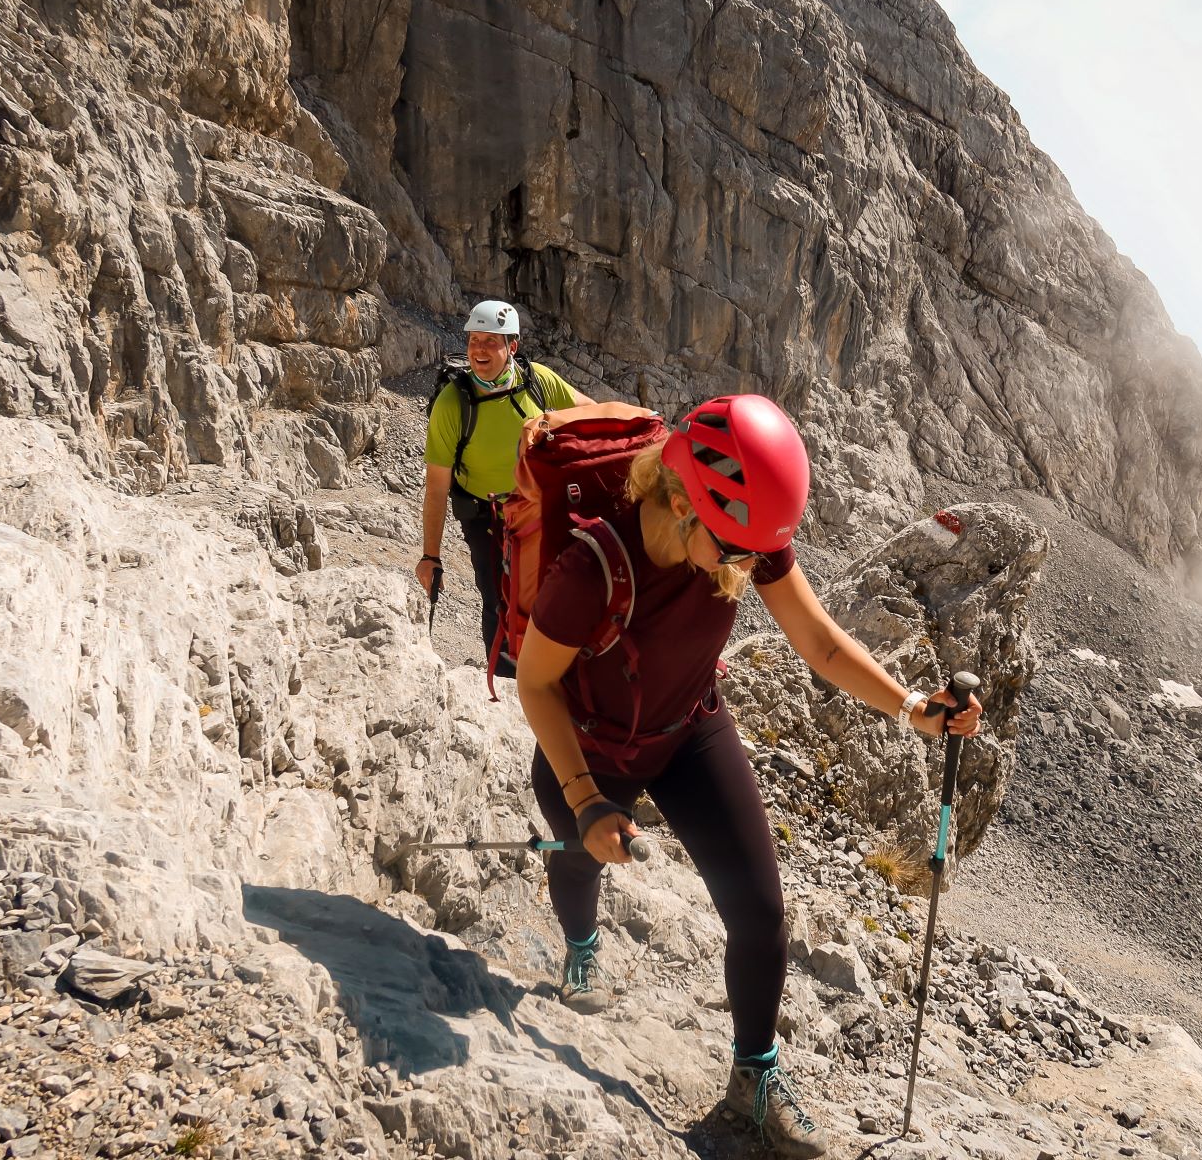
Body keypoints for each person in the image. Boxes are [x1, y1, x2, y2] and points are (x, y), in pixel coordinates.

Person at [515, 393, 983, 1158]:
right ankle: (580, 944)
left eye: (752, 554)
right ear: (677, 502)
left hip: (689, 730)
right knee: (577, 859)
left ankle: (753, 1078)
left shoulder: (741, 533)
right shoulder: (589, 570)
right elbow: (537, 686)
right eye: (732, 551)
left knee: (761, 913)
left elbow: (821, 645)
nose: (744, 569)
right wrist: (585, 799)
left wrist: (912, 708)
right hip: (588, 747)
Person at [418, 300, 580, 670]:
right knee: (498, 599)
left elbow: (585, 411)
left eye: (491, 341)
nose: (479, 349)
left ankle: (549, 674)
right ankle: (505, 685)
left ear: (512, 347)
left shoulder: (537, 381)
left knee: (551, 592)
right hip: (484, 515)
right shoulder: (453, 403)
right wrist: (431, 557)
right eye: (475, 340)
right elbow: (437, 489)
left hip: (540, 509)